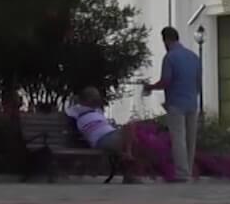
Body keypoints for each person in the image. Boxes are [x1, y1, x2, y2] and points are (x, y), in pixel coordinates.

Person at [142, 26, 202, 182]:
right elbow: (198, 82)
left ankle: (182, 173)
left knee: (178, 138)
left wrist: (150, 87)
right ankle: (188, 170)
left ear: (166, 40)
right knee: (191, 139)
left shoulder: (170, 57)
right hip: (192, 102)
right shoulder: (194, 57)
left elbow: (166, 81)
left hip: (176, 102)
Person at [63, 88, 141, 183]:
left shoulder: (97, 110)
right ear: (85, 99)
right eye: (93, 97)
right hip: (101, 139)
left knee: (135, 134)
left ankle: (128, 162)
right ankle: (128, 160)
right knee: (130, 129)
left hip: (112, 134)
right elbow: (70, 117)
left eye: (97, 96)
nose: (97, 99)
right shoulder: (75, 111)